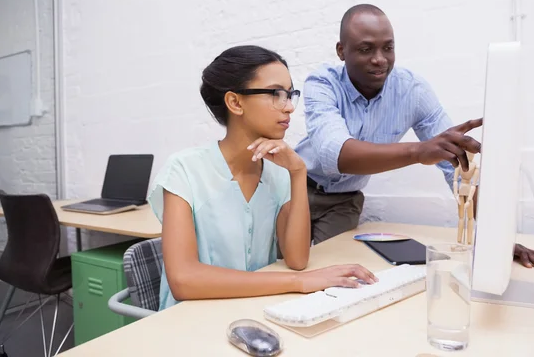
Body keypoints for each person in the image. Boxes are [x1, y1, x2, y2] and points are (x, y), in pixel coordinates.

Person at [294, 4, 534, 270]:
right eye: (365, 49)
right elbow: (335, 155)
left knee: (331, 270)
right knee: (279, 267)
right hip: (295, 188)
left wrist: (497, 239)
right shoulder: (322, 83)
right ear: (341, 51)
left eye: (388, 47)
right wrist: (419, 152)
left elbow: (460, 169)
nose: (380, 59)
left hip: (343, 201)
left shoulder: (412, 91)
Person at [148, 45, 378, 310]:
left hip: (255, 309)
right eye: (276, 94)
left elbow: (297, 258)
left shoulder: (278, 172)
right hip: (187, 320)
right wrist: (298, 282)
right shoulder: (184, 170)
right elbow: (183, 280)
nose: (289, 107)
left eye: (290, 94)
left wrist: (298, 172)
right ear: (235, 102)